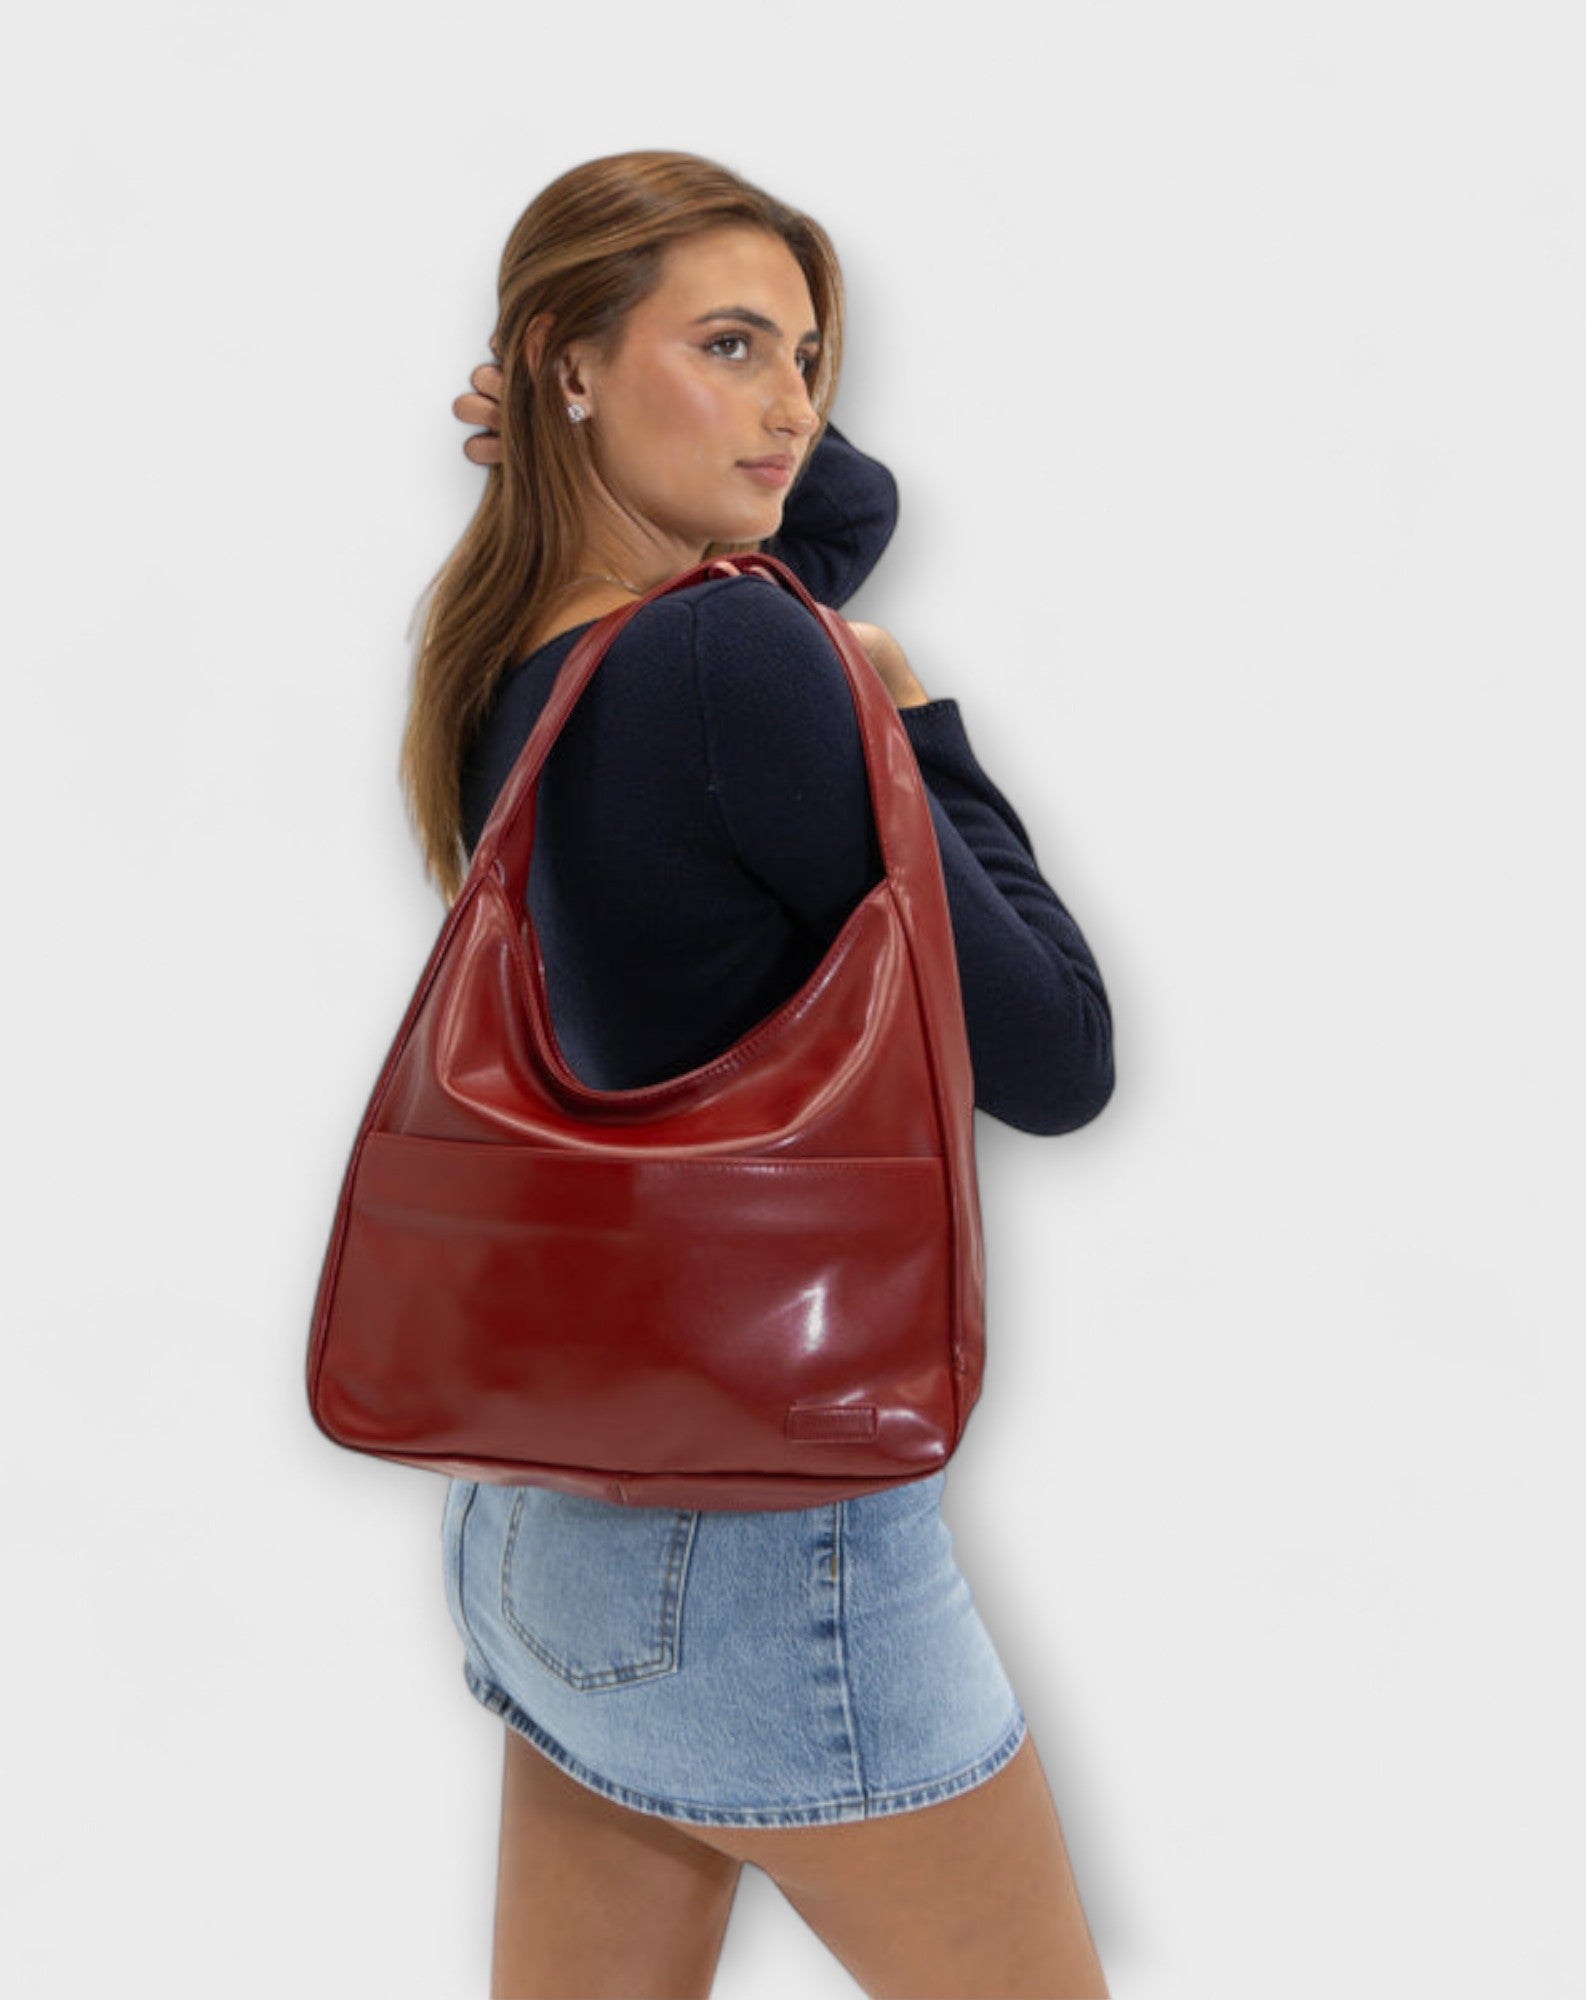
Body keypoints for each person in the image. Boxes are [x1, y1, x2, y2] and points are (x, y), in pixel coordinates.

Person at [401, 150, 1115, 1998]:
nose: (794, 411)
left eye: (806, 357)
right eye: (729, 347)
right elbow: (1058, 1055)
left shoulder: (519, 652)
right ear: (567, 359)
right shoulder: (734, 655)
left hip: (546, 1518)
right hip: (760, 1553)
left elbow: (829, 503)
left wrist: (598, 413)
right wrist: (916, 716)